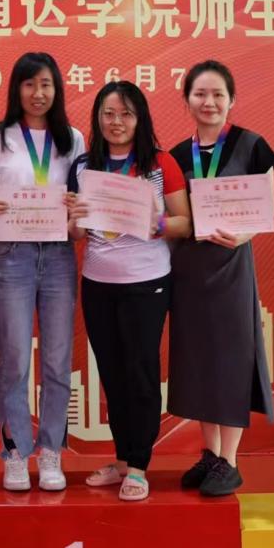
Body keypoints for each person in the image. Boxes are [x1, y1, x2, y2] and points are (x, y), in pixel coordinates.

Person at [68, 80, 191, 502]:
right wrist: (76, 220)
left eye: (125, 114)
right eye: (108, 113)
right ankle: (122, 460)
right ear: (97, 118)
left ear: (140, 119)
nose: (116, 122)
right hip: (98, 284)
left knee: (140, 374)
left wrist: (156, 223)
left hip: (147, 282)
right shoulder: (84, 166)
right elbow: (76, 233)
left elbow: (185, 223)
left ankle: (138, 466)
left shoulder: (159, 163)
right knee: (113, 374)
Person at [166, 59, 274, 497]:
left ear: (232, 99)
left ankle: (230, 461)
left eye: (217, 94)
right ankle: (211, 454)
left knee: (231, 360)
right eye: (200, 94)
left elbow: (267, 207)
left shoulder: (253, 146)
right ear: (187, 100)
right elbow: (172, 216)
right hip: (189, 271)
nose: (209, 102)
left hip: (231, 267)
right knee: (199, 362)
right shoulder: (177, 156)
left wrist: (243, 235)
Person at [0, 53, 85, 492]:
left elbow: (81, 201)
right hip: (13, 255)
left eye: (46, 85)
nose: (38, 94)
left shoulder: (72, 139)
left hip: (59, 256)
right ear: (16, 89)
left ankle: (52, 451)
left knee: (58, 361)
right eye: (29, 84)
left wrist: (77, 209)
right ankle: (17, 453)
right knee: (15, 360)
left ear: (57, 89)